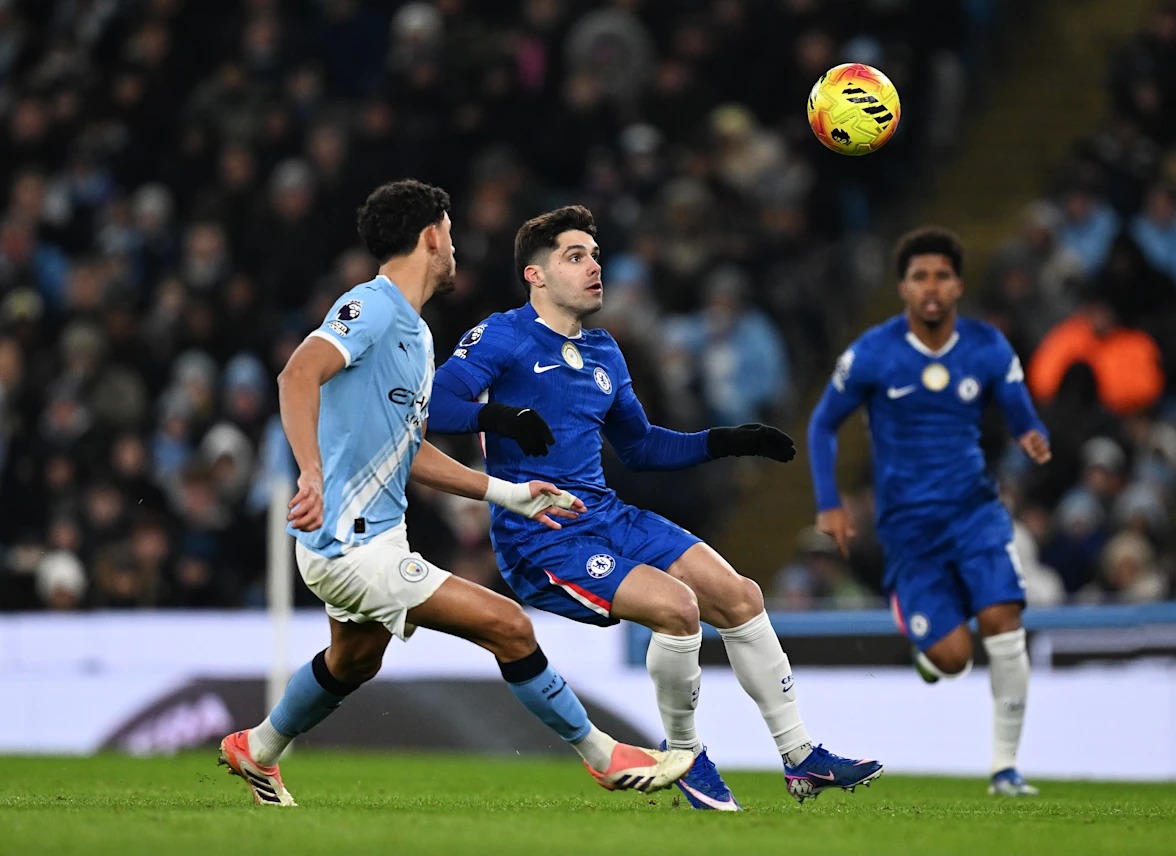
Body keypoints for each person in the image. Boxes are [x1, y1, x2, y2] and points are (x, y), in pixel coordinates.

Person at [217, 181, 694, 806]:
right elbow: (297, 374)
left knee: (355, 660)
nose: (455, 247)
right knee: (508, 625)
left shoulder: (415, 335)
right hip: (349, 542)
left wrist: (508, 493)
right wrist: (310, 471)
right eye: (449, 233)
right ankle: (604, 756)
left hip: (376, 536)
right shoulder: (371, 307)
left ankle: (257, 747)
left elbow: (409, 450)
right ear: (430, 237)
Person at [428, 204, 882, 809]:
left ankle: (801, 758)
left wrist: (726, 440)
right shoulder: (503, 336)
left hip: (606, 514)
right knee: (677, 608)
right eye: (575, 256)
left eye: (594, 255)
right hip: (542, 533)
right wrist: (500, 417)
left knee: (741, 597)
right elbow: (436, 404)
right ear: (535, 275)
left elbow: (640, 447)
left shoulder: (604, 351)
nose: (594, 267)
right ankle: (685, 756)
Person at [807, 226, 1052, 797]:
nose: (932, 287)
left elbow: (1020, 409)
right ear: (903, 288)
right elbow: (821, 425)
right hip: (909, 529)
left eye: (942, 275)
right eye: (920, 277)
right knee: (954, 658)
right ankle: (923, 633)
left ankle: (1006, 769)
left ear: (959, 285)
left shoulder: (987, 346)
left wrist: (1031, 433)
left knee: (1004, 622)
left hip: (975, 513)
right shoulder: (873, 353)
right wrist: (829, 503)